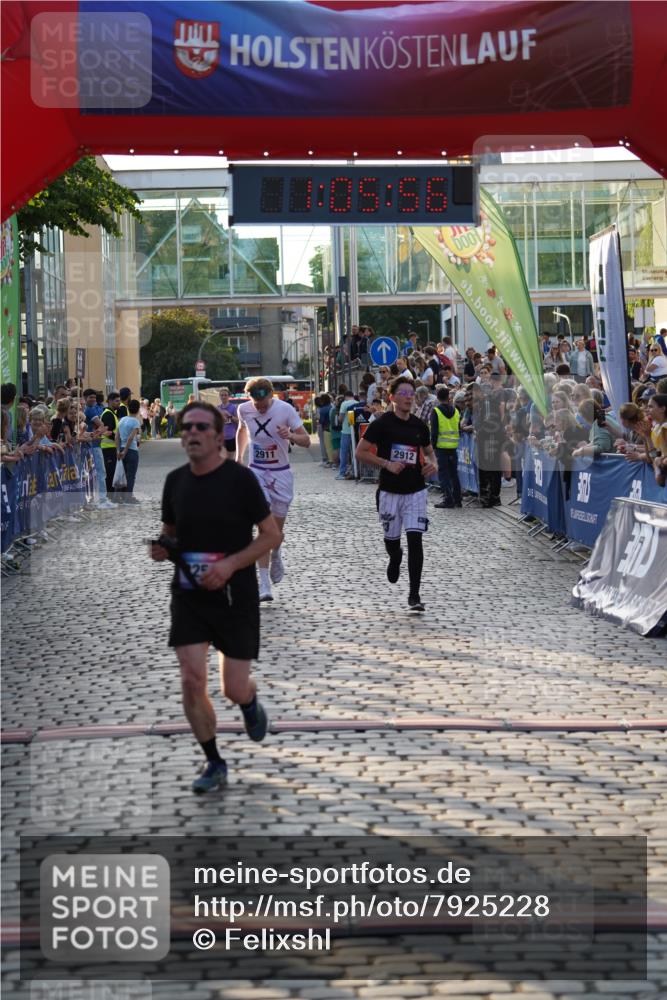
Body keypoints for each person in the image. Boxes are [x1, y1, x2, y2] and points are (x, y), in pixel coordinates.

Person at [151, 401, 282, 793]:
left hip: (234, 594)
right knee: (192, 679)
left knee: (232, 688)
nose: (191, 433)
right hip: (189, 593)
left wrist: (230, 565)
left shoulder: (240, 481)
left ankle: (248, 702)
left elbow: (272, 536)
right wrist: (163, 546)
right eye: (185, 428)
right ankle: (214, 761)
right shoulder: (175, 481)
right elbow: (170, 531)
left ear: (216, 433)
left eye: (199, 427)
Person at [355, 376, 437, 613]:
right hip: (390, 491)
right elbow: (361, 452)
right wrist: (386, 463)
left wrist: (434, 464)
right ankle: (395, 555)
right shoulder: (382, 423)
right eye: (402, 393)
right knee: (392, 540)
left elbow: (430, 453)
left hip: (416, 491)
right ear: (391, 397)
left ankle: (414, 594)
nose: (408, 397)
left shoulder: (420, 425)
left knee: (416, 540)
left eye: (411, 393)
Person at [236, 377, 311, 603]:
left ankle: (276, 552)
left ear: (271, 396)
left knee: (275, 533)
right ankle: (264, 584)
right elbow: (242, 430)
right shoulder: (243, 409)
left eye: (263, 404)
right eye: (255, 404)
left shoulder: (285, 409)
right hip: (257, 471)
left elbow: (306, 441)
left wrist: (291, 436)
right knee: (263, 527)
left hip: (281, 473)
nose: (259, 408)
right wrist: (239, 456)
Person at [82, 388, 116, 510]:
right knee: (100, 472)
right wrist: (101, 430)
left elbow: (102, 427)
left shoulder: (92, 408)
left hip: (95, 444)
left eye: (94, 398)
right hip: (94, 445)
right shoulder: (90, 410)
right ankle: (102, 499)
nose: (93, 400)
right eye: (90, 397)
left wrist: (101, 430)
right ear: (85, 398)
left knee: (97, 473)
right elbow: (102, 425)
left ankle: (101, 498)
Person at [430, 386, 462, 509]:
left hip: (441, 448)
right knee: (454, 474)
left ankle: (448, 499)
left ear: (437, 397)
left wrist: (432, 448)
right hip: (453, 447)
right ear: (449, 397)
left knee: (443, 475)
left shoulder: (436, 411)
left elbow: (434, 432)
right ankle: (458, 500)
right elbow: (458, 428)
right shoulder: (456, 411)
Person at [116, 398, 142, 504]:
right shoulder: (136, 421)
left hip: (121, 448)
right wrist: (126, 451)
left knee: (122, 474)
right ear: (138, 409)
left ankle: (120, 497)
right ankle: (128, 497)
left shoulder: (121, 420)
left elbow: (117, 436)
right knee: (130, 475)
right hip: (131, 450)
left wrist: (118, 450)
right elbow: (131, 438)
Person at [100, 391, 121, 497]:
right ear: (110, 401)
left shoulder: (112, 413)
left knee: (112, 473)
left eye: (119, 401)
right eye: (117, 401)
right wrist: (119, 438)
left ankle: (111, 496)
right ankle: (109, 496)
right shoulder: (108, 414)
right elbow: (107, 432)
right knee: (110, 473)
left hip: (111, 447)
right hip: (107, 448)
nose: (119, 403)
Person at [217, 387, 239, 458]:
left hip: (231, 437)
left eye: (225, 395)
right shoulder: (217, 408)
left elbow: (238, 421)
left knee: (230, 459)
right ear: (219, 396)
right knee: (222, 458)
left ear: (228, 396)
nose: (223, 397)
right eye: (222, 395)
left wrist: (229, 415)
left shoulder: (233, 407)